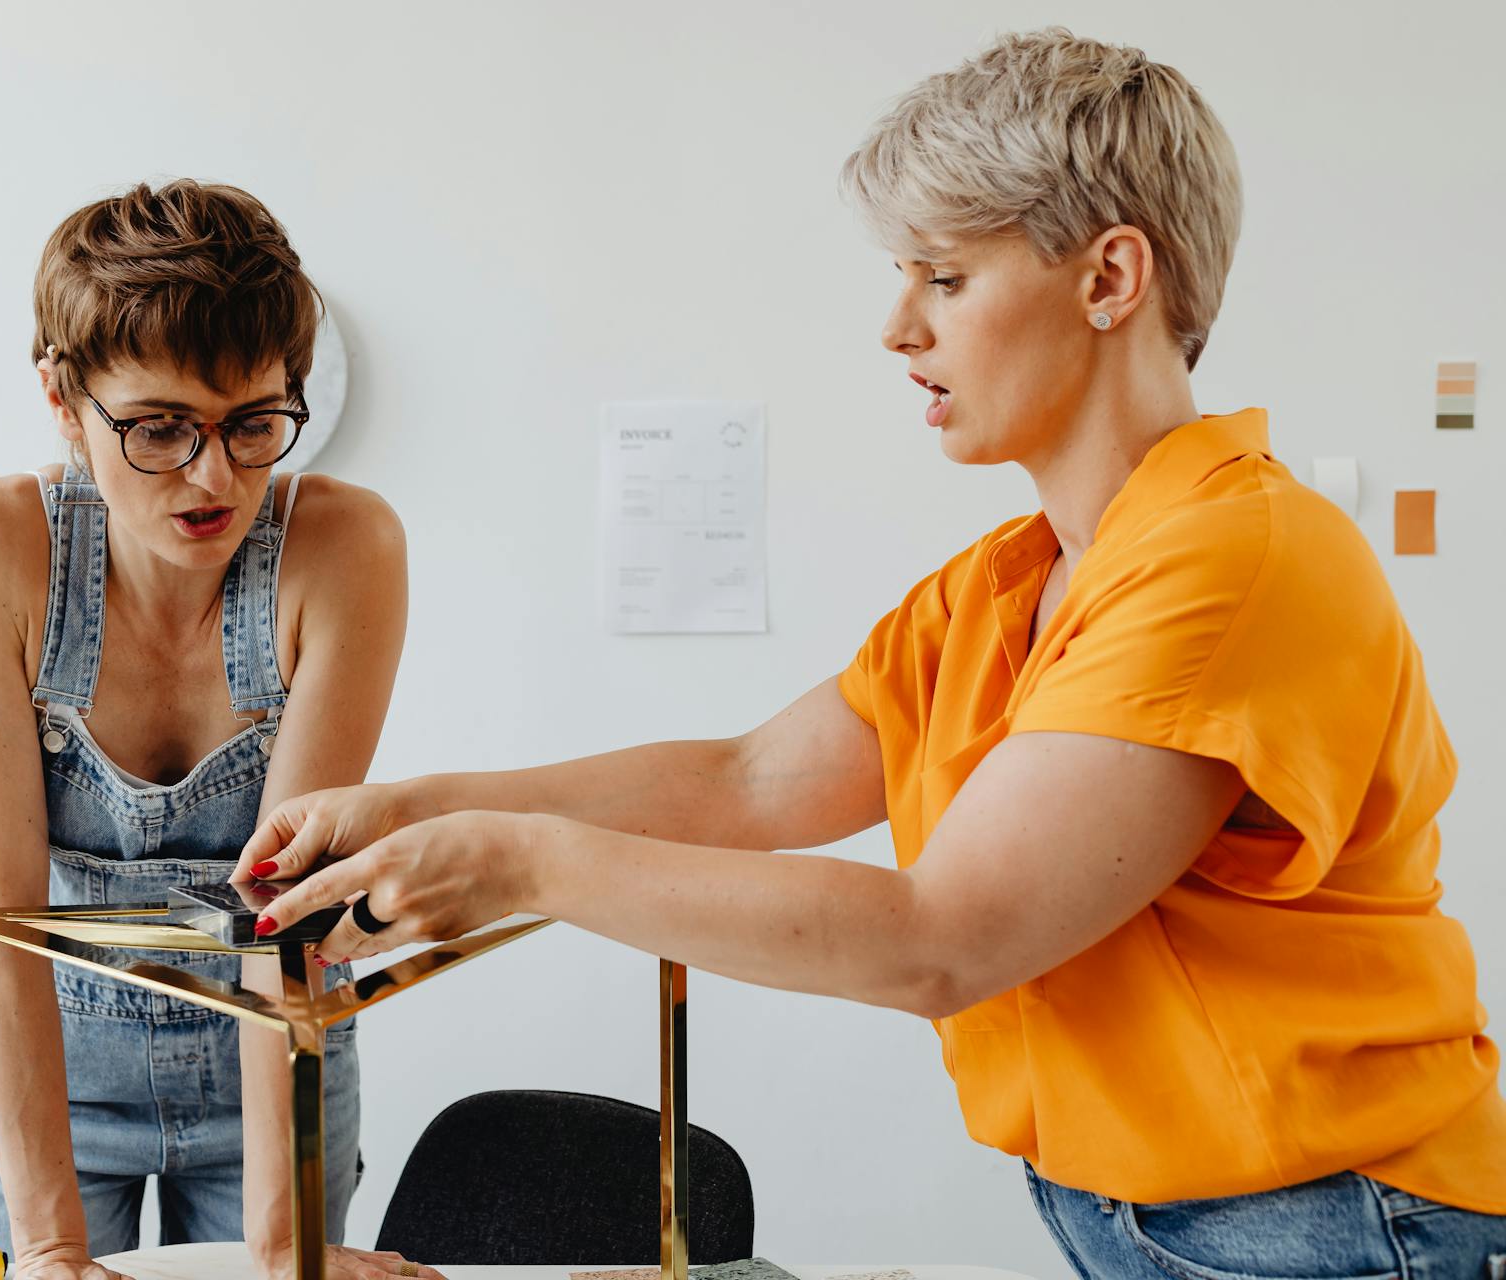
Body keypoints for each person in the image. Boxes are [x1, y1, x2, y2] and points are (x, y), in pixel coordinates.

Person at [238, 30, 1506, 1278]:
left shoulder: (1233, 559)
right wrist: (420, 806)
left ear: (1112, 278)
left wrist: (517, 858)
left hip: (1339, 1226)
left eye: (945, 278)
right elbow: (748, 781)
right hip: (1153, 1220)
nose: (898, 326)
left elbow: (942, 935)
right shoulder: (1007, 585)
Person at [0, 179, 434, 1280]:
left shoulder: (344, 551)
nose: (216, 476)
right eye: (159, 428)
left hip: (269, 1067)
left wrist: (286, 1235)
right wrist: (52, 1243)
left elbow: (279, 912)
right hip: (42, 1071)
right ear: (64, 397)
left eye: (255, 424)